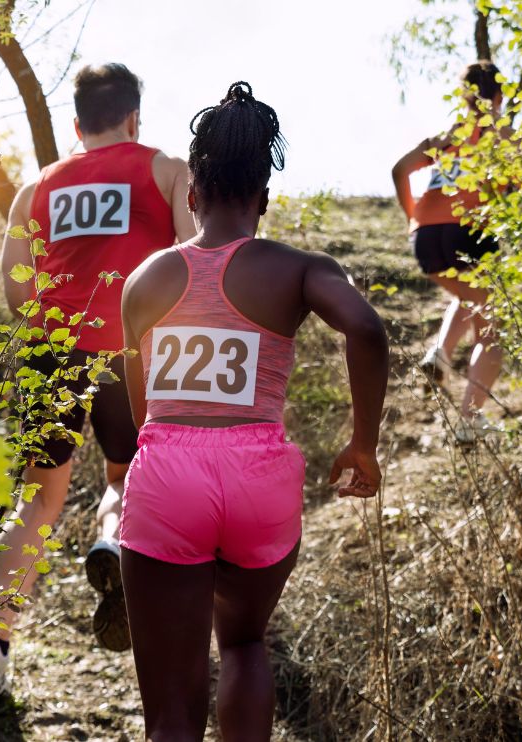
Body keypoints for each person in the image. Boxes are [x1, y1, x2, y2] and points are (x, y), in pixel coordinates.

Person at [119, 81, 389, 742]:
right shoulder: (295, 268)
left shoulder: (145, 279)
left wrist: (166, 458)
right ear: (264, 201)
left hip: (168, 475)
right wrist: (362, 446)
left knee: (171, 720)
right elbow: (366, 329)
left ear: (192, 195)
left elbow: (142, 406)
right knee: (243, 646)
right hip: (259, 479)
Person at [0, 63, 195, 700]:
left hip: (51, 352)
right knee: (123, 475)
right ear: (132, 117)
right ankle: (109, 541)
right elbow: (193, 258)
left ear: (75, 124)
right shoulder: (167, 171)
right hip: (133, 351)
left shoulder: (36, 188)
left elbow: (16, 290)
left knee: (38, 500)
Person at [392, 61, 510, 442]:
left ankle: (440, 354)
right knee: (491, 332)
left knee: (472, 295)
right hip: (469, 231)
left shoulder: (448, 135)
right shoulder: (505, 135)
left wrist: (415, 219)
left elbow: (400, 170)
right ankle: (468, 422)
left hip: (427, 238)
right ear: (499, 95)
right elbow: (519, 196)